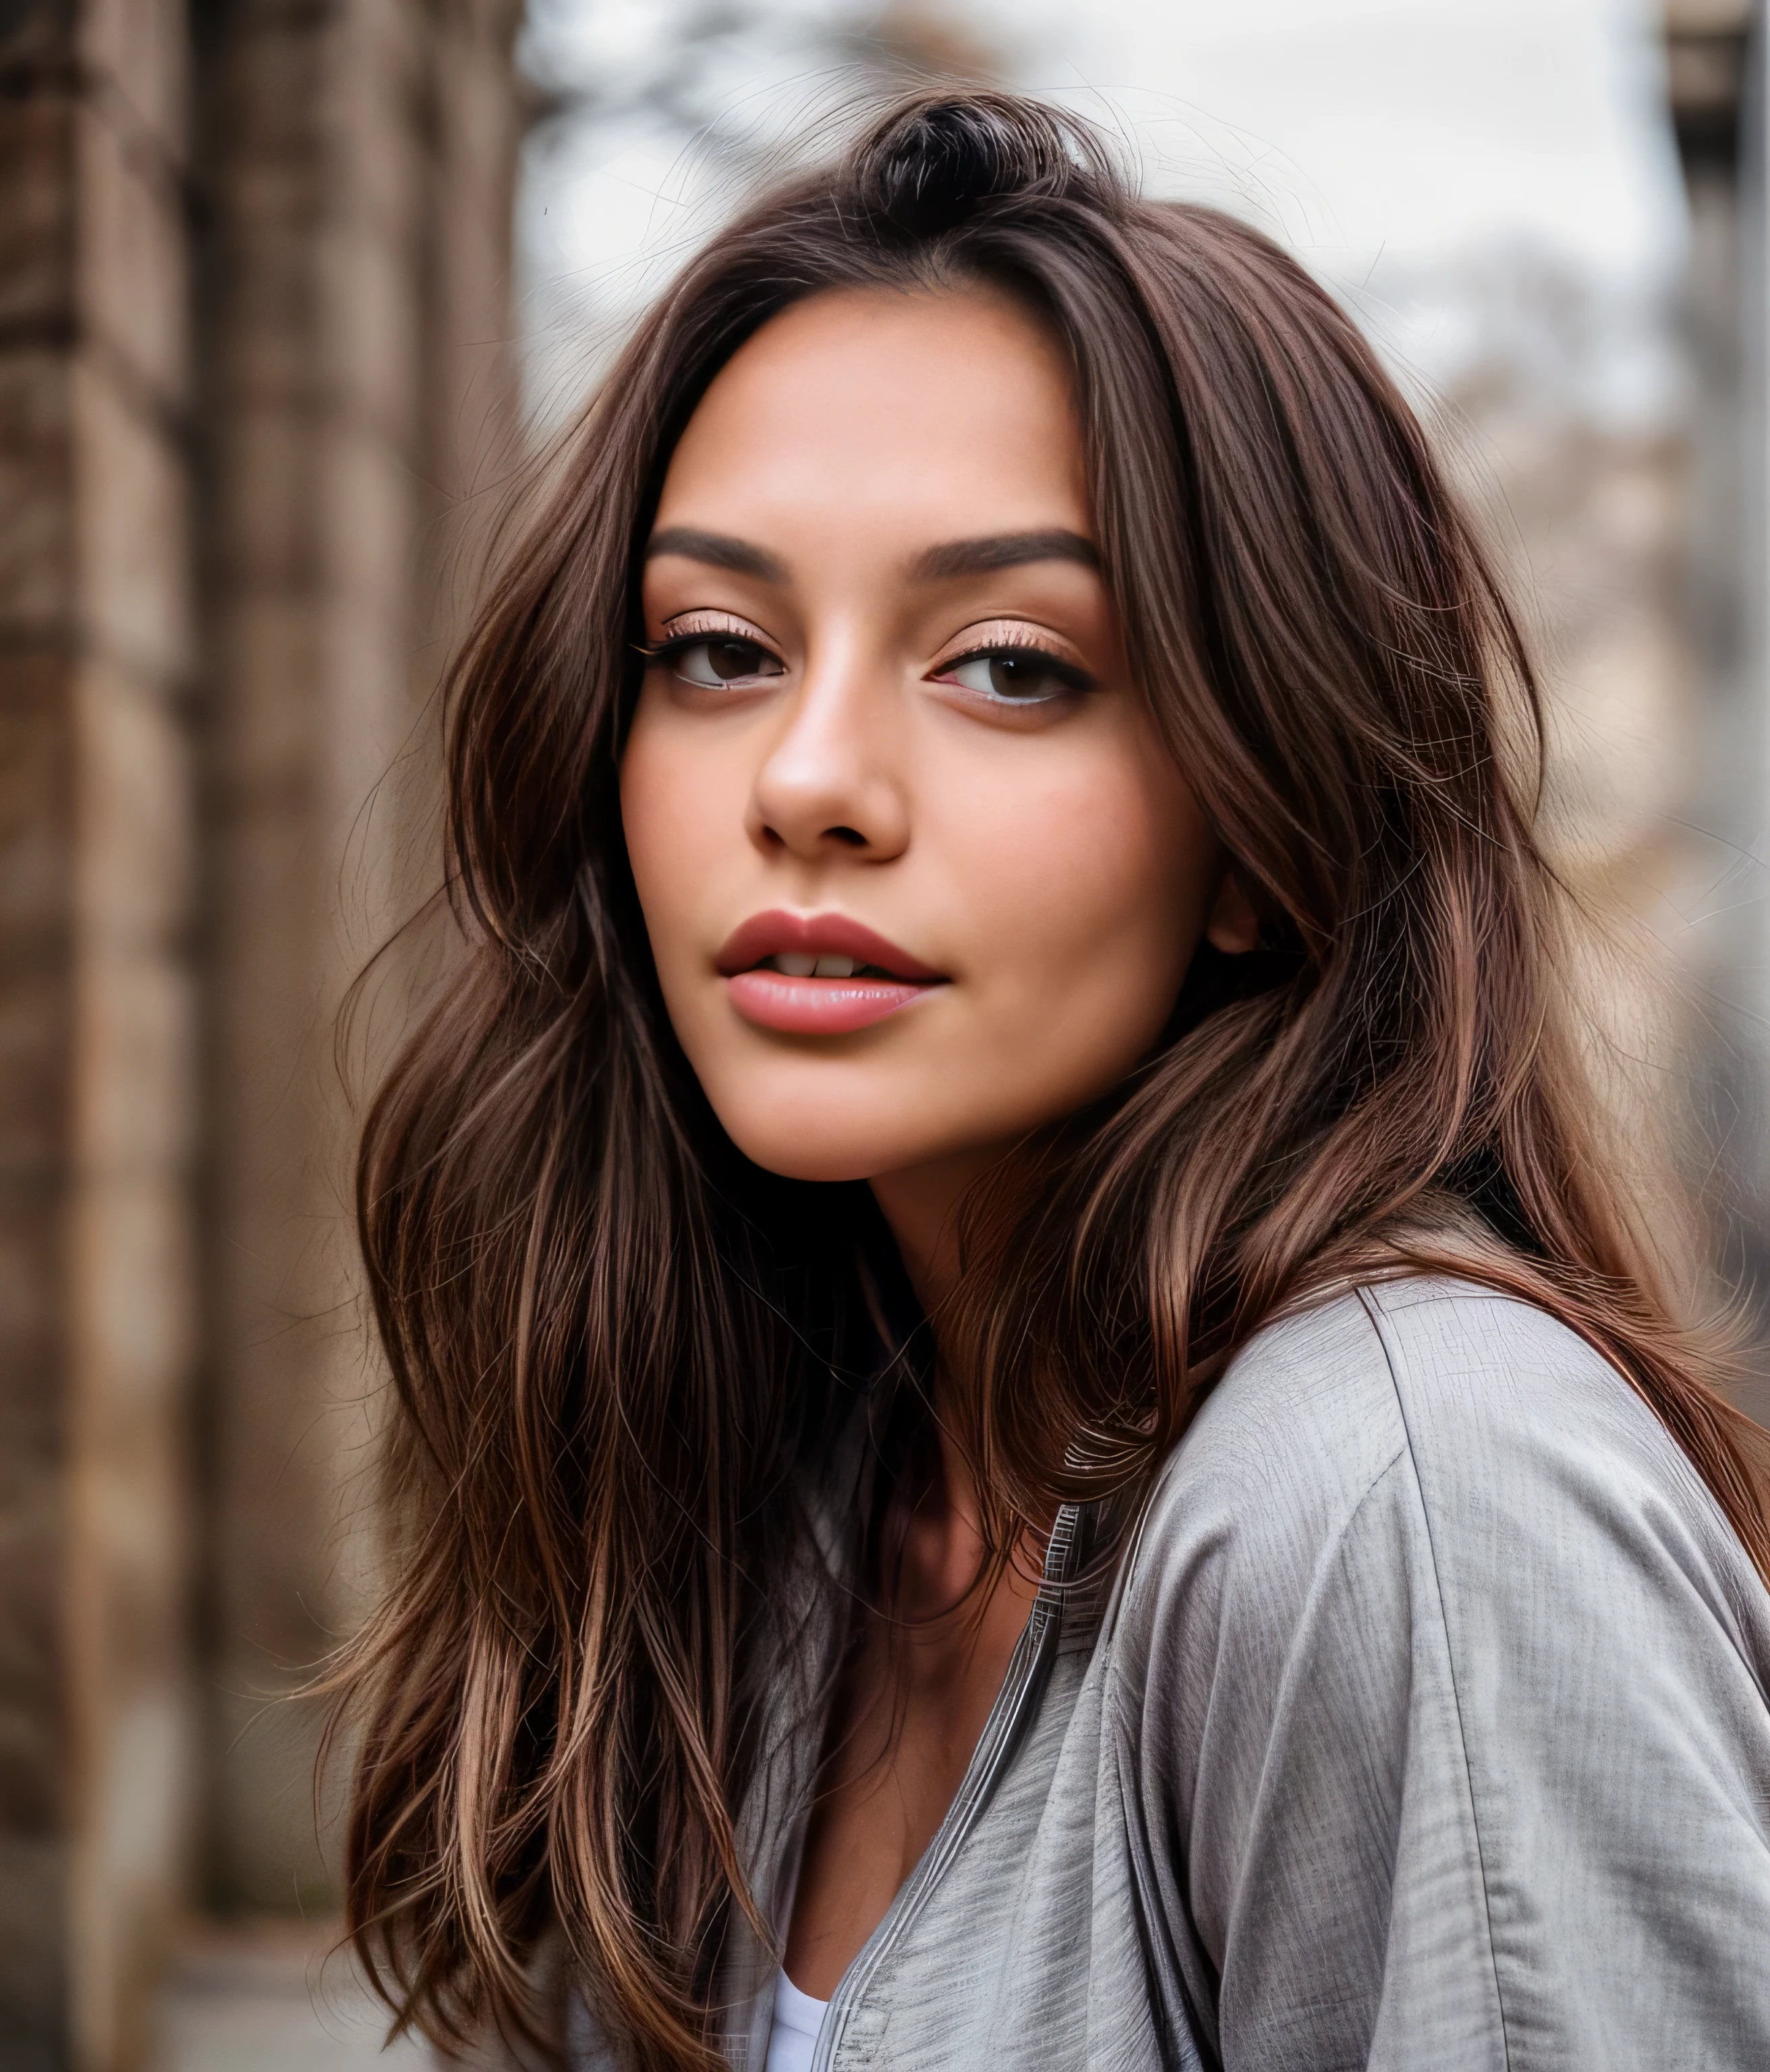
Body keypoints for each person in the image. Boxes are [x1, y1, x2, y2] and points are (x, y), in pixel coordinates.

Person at [334, 92, 1770, 2071]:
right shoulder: (774, 1473)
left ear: (1269, 839)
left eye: (1009, 663)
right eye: (721, 647)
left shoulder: (1411, 1500)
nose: (809, 783)